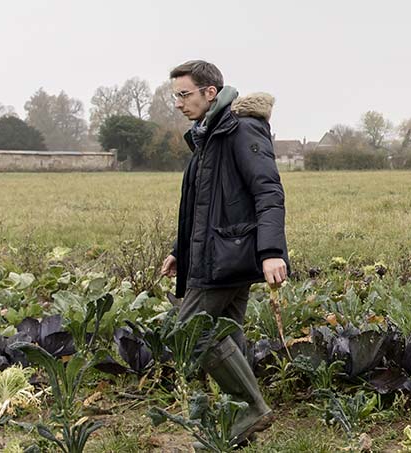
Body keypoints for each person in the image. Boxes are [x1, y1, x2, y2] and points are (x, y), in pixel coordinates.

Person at [159, 59, 287, 447]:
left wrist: (270, 251)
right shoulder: (207, 133)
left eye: (184, 94)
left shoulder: (240, 129)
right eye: (175, 96)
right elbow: (203, 204)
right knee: (224, 333)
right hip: (215, 253)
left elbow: (268, 192)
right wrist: (178, 251)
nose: (178, 103)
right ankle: (233, 428)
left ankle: (250, 409)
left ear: (209, 92)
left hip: (229, 256)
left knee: (188, 334)